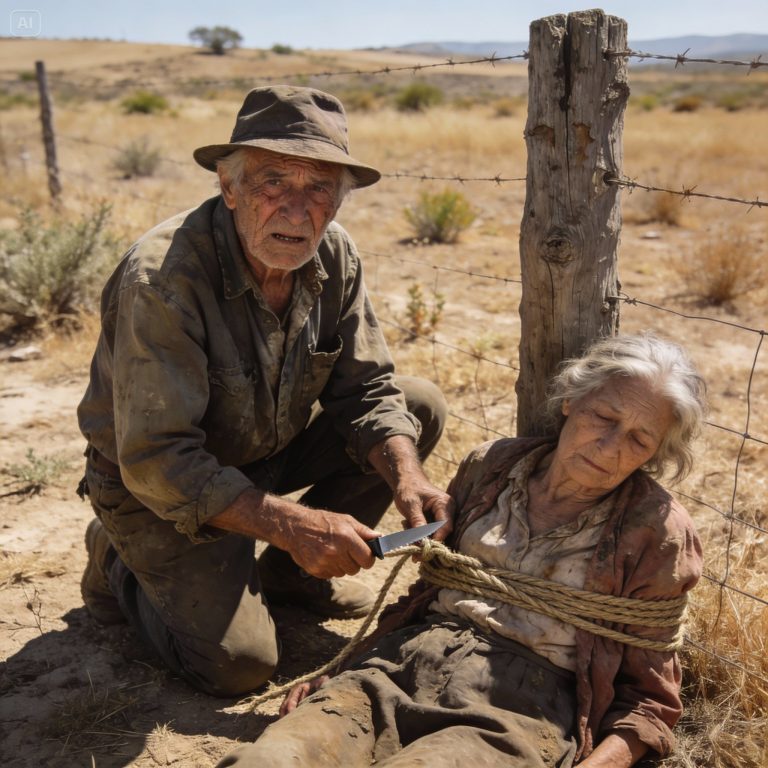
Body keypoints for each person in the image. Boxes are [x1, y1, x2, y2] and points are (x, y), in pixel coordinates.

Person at [77, 85, 453, 697]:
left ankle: (291, 577)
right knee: (239, 665)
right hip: (155, 486)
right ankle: (117, 559)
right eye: (273, 182)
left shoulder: (335, 253)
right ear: (229, 188)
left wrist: (408, 479)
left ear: (340, 199)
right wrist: (294, 523)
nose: (298, 211)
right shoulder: (162, 278)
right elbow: (158, 458)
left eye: (320, 188)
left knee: (416, 407)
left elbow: (367, 389)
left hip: (262, 456)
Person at [216, 333, 706, 768]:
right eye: (603, 417)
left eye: (639, 439)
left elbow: (650, 702)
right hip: (397, 666)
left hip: (516, 713)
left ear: (655, 453)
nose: (611, 446)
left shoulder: (657, 533)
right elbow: (428, 590)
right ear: (571, 401)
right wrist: (345, 669)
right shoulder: (492, 467)